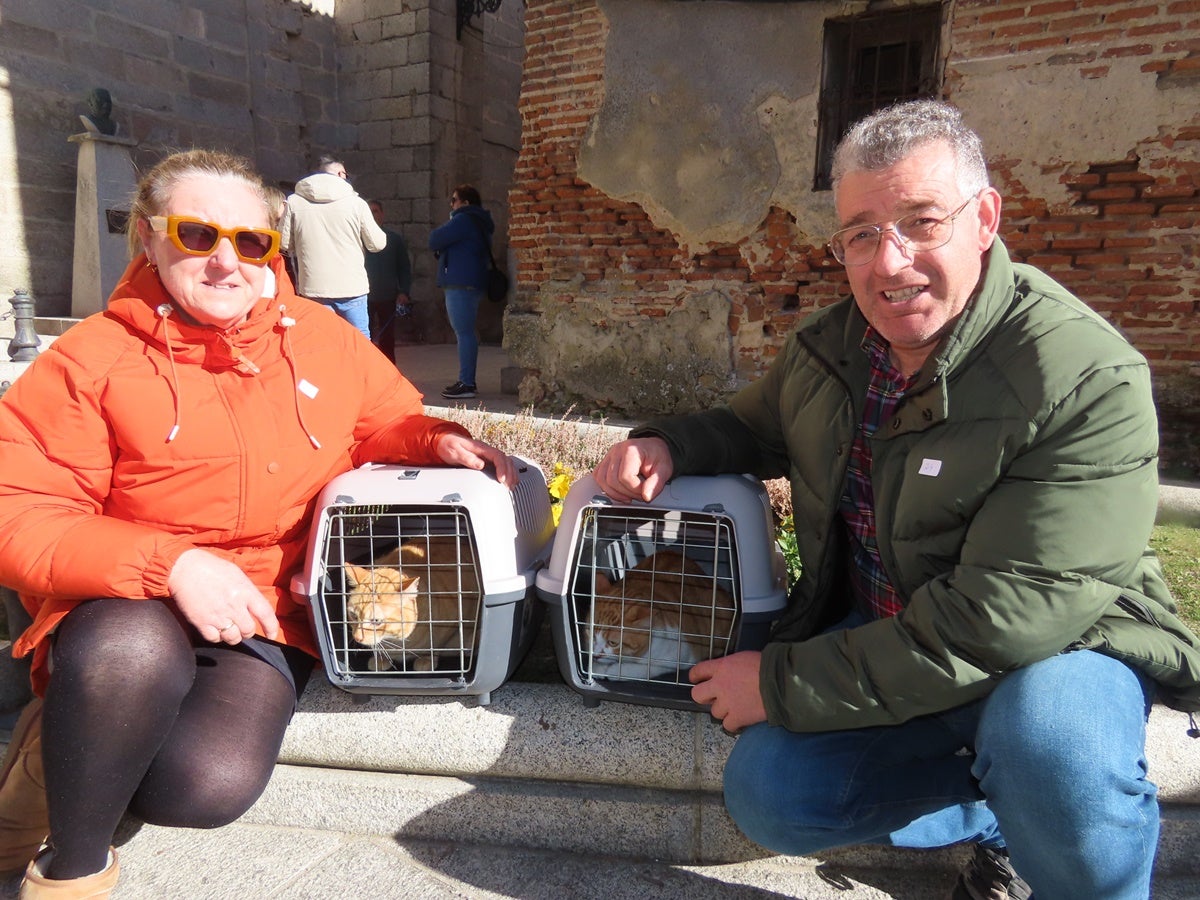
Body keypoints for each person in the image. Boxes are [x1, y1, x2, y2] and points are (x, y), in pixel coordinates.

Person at [591, 99, 1200, 900]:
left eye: (921, 221)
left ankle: (1063, 845)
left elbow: (999, 623)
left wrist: (779, 683)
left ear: (984, 219)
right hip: (888, 631)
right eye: (862, 234)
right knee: (772, 794)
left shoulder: (1084, 377)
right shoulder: (835, 349)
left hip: (1060, 648)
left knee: (1049, 744)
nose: (890, 262)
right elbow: (751, 427)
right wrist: (666, 442)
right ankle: (1001, 820)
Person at [0, 149, 517, 898]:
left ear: (273, 249)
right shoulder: (92, 359)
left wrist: (434, 438)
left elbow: (385, 419)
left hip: (264, 605)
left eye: (250, 242)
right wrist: (169, 566)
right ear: (148, 238)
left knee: (202, 787)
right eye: (196, 234)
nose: (225, 261)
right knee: (128, 657)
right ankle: (70, 871)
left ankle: (57, 755)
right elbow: (20, 510)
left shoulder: (319, 336)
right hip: (121, 597)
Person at [279, 155, 385, 339]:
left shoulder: (295, 201)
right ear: (340, 174)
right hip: (352, 287)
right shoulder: (356, 203)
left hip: (314, 287)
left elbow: (284, 244)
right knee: (359, 343)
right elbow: (377, 244)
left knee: (322, 342)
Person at [428, 184, 493, 400]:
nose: (452, 204)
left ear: (465, 203)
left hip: (460, 282)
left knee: (463, 332)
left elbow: (434, 239)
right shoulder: (479, 221)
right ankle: (466, 380)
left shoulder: (463, 219)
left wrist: (453, 218)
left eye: (454, 200)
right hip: (470, 281)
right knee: (466, 332)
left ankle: (467, 383)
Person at [365, 198, 413, 364]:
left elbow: (404, 268)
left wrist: (403, 291)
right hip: (364, 297)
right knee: (365, 336)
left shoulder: (393, 240)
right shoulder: (357, 239)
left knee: (387, 338)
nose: (372, 215)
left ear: (382, 215)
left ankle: (389, 371)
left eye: (375, 211)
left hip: (387, 296)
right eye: (369, 212)